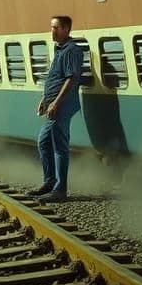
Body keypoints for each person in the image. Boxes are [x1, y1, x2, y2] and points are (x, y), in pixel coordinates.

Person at [36, 15, 83, 200]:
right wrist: (44, 99)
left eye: (55, 28)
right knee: (44, 142)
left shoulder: (72, 51)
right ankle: (50, 182)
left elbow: (71, 78)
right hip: (54, 103)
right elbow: (54, 78)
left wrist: (56, 102)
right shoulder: (60, 50)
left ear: (66, 29)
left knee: (59, 147)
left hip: (63, 105)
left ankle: (60, 190)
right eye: (51, 27)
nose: (52, 31)